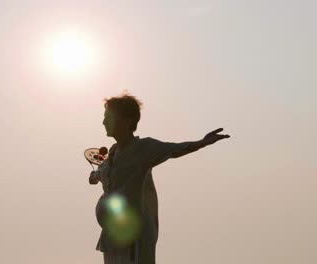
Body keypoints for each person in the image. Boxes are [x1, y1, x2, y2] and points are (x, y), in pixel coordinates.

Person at [89, 92, 230, 264]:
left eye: (108, 117)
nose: (104, 122)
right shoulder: (111, 154)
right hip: (112, 240)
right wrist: (94, 177)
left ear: (126, 120)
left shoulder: (144, 148)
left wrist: (201, 142)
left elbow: (174, 150)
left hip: (134, 239)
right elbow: (102, 173)